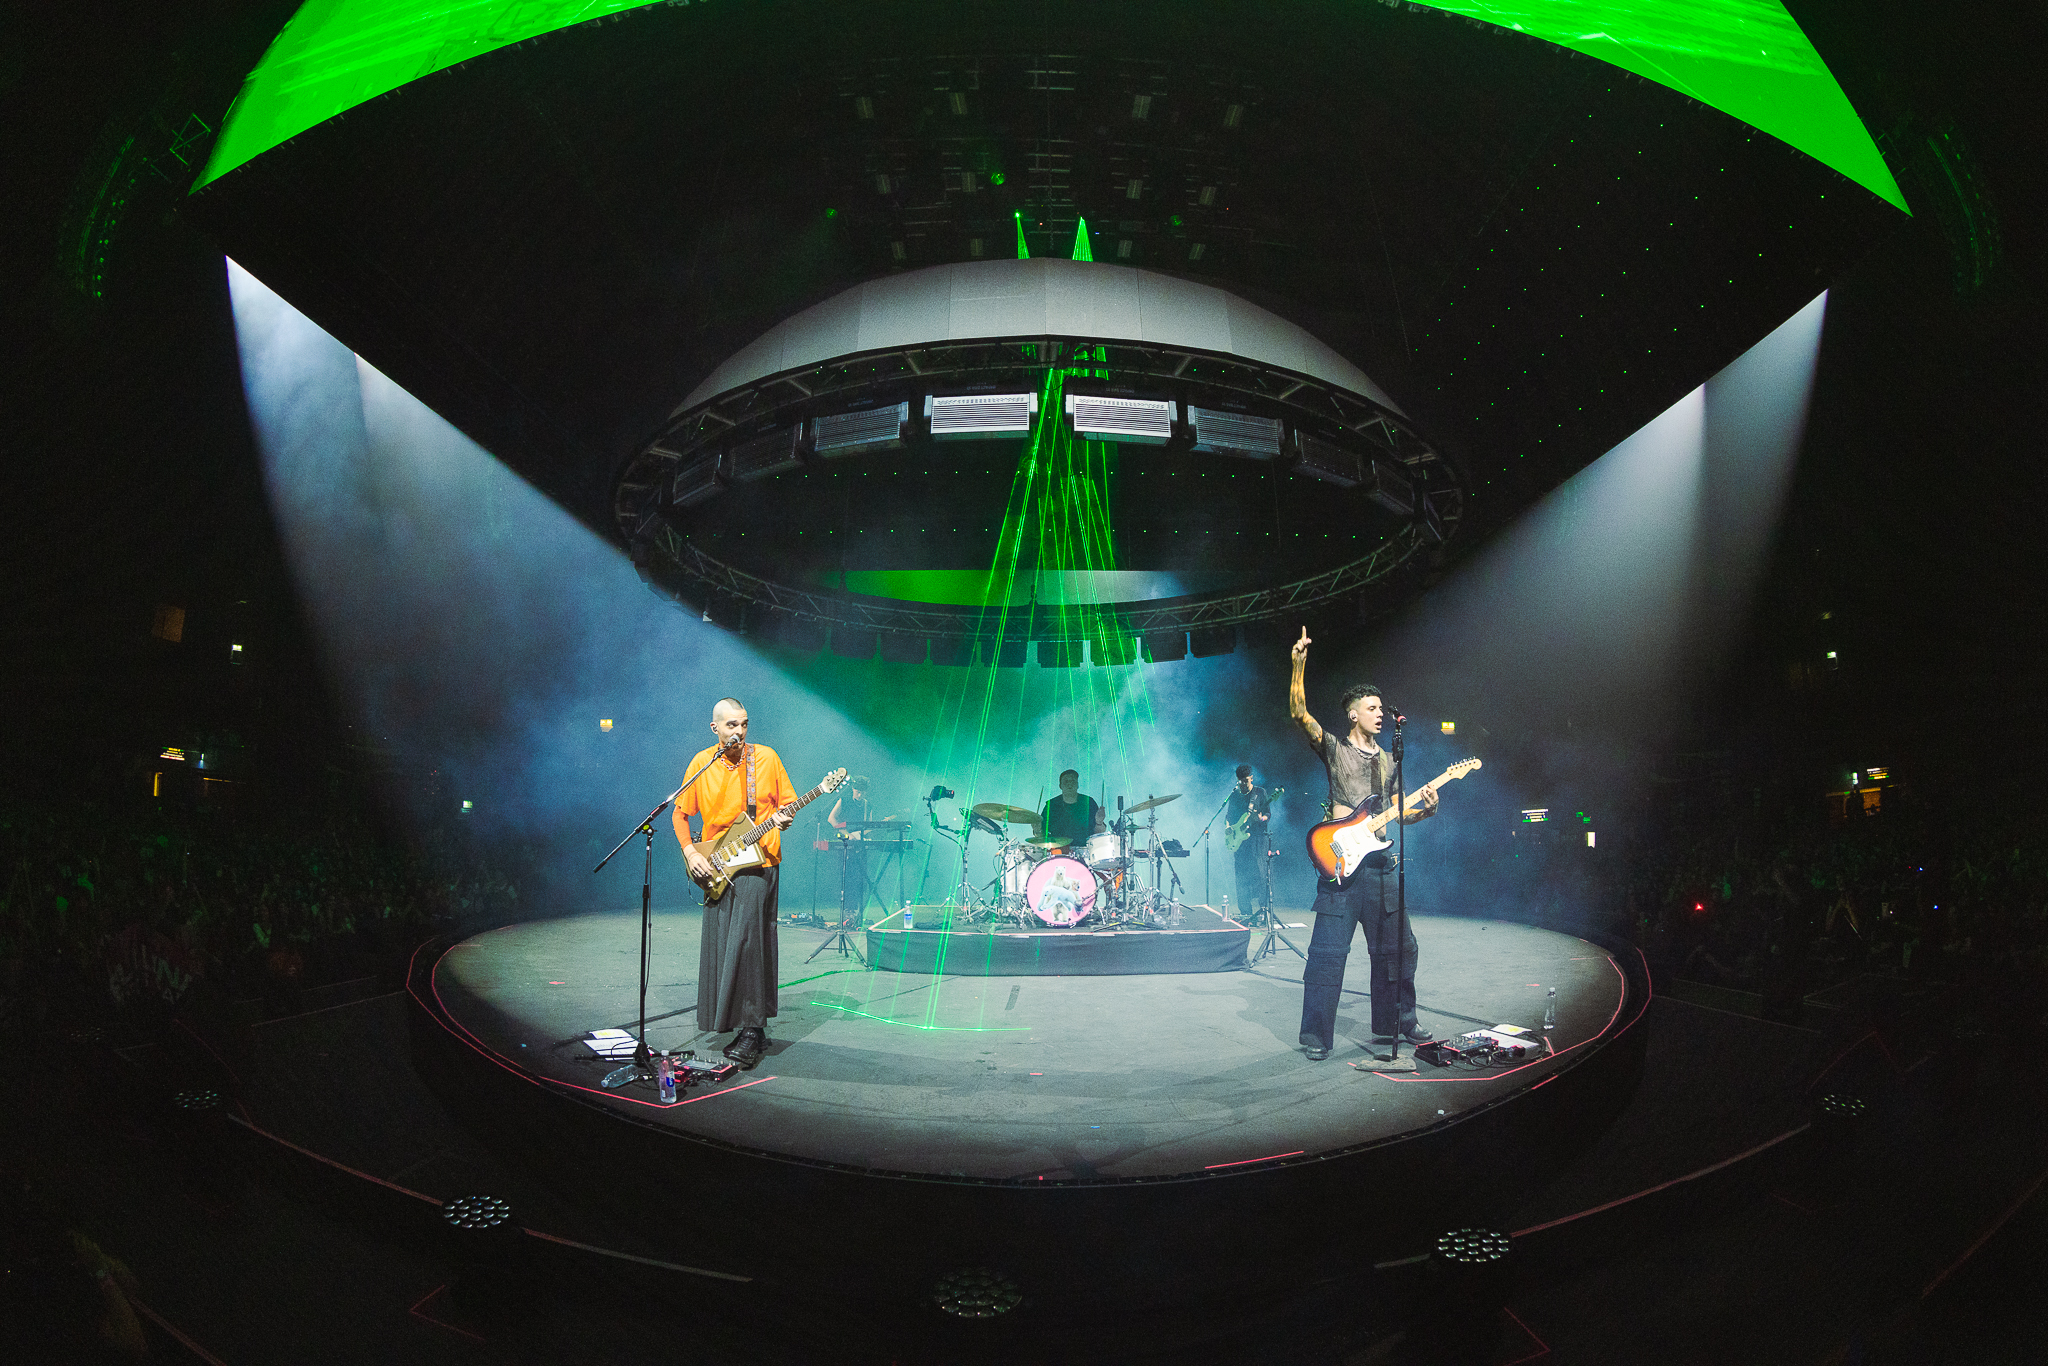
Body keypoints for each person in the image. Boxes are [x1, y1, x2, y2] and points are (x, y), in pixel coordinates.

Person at [1288, 628, 1438, 1061]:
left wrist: (1424, 809)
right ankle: (1316, 1036)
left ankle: (1398, 1022)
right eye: (1371, 709)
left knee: (1398, 949)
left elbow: (1395, 810)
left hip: (1381, 867)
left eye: (1381, 709)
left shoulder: (1390, 759)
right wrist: (1298, 664)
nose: (1380, 715)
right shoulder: (1335, 750)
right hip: (1339, 869)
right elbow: (1299, 713)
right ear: (1353, 714)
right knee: (1327, 956)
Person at [673, 697, 796, 1068]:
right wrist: (692, 853)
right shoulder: (702, 763)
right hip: (718, 865)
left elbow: (788, 802)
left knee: (749, 945)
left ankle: (753, 1030)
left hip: (759, 863)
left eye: (743, 724)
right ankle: (731, 1021)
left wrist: (784, 818)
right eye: (731, 725)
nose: (739, 732)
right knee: (726, 944)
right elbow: (680, 813)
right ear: (715, 729)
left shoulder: (766, 758)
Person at [1224, 764, 1272, 917]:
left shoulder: (1260, 793)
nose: (1243, 784)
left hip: (1258, 841)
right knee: (1241, 876)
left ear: (1251, 778)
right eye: (1240, 781)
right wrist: (1228, 828)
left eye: (1245, 780)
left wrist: (1261, 818)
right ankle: (1245, 912)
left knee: (1260, 875)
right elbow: (1228, 817)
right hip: (1240, 842)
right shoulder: (1235, 796)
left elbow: (1268, 814)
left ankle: (1263, 911)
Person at [827, 776, 872, 926]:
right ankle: (848, 911)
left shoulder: (867, 805)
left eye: (863, 792)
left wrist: (862, 835)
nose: (860, 795)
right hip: (844, 843)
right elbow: (831, 818)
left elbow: (870, 826)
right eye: (858, 792)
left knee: (860, 878)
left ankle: (858, 912)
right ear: (853, 789)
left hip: (859, 845)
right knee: (847, 877)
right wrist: (847, 834)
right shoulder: (844, 800)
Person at [1037, 768, 1106, 848]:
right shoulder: (1051, 805)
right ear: (1060, 786)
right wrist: (1037, 829)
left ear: (1077, 785)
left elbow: (1099, 834)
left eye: (1073, 781)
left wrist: (1099, 822)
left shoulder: (1089, 802)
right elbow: (1041, 836)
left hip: (1086, 851)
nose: (1069, 784)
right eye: (1066, 781)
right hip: (1057, 853)